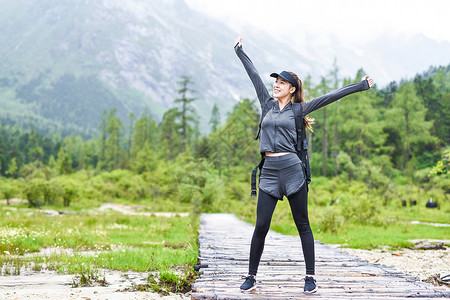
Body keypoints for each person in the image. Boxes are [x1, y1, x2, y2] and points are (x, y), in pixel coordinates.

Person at [234, 37, 374, 294]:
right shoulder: (267, 105)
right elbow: (253, 75)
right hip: (269, 173)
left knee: (303, 224)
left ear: (292, 89)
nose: (276, 85)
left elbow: (332, 96)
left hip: (292, 171)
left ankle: (310, 277)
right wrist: (239, 51)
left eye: (282, 83)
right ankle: (251, 276)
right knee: (261, 225)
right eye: (275, 82)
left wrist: (361, 85)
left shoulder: (300, 109)